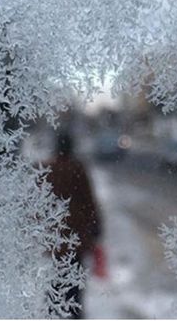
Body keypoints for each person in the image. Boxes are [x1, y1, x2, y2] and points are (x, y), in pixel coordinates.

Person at [45, 131, 102, 319]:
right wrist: (96, 228)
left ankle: (55, 311)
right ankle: (73, 313)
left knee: (58, 278)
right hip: (76, 237)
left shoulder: (49, 169)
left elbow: (40, 202)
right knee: (74, 282)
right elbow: (89, 201)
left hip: (56, 237)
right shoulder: (77, 168)